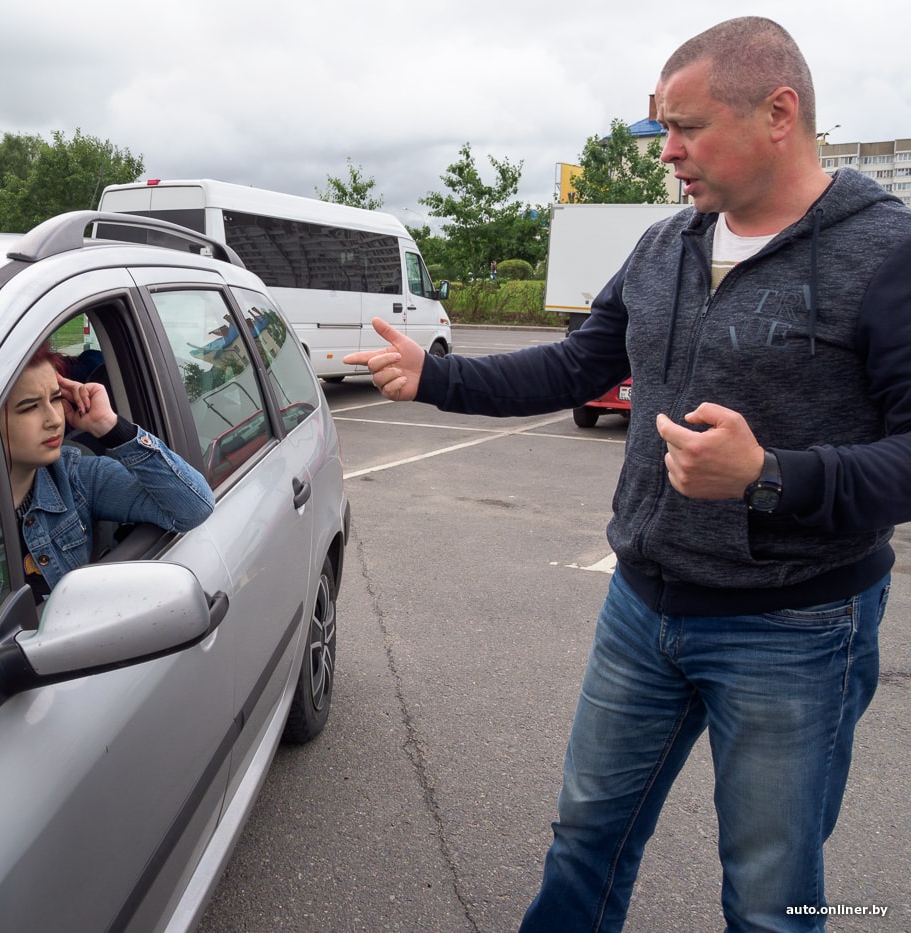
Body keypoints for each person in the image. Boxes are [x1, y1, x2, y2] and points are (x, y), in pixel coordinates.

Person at [345, 16, 911, 932]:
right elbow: (578, 364)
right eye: (663, 130)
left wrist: (769, 475)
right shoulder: (666, 246)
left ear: (779, 112)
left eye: (686, 129)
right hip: (642, 610)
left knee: (772, 896)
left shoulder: (886, 253)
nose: (668, 153)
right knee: (584, 840)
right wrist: (434, 376)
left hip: (797, 627)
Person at [0, 345, 214, 600]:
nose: (54, 420)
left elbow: (193, 508)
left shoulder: (75, 476)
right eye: (30, 407)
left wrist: (109, 426)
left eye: (56, 399)